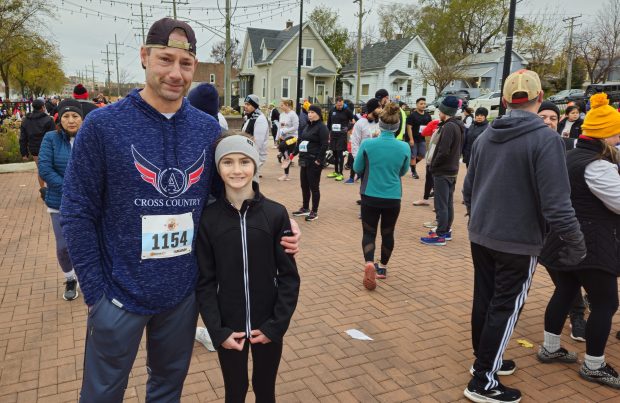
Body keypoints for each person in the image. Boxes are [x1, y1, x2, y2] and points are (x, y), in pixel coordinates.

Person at [60, 18, 299, 402]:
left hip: (182, 295)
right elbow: (76, 210)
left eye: (185, 64)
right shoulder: (102, 126)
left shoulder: (206, 130)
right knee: (102, 393)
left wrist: (280, 224)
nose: (175, 73)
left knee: (167, 390)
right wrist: (95, 291)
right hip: (118, 294)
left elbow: (233, 194)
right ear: (144, 57)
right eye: (165, 60)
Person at [462, 69, 585, 403]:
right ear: (540, 98)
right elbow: (557, 204)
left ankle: (486, 362)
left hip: (483, 233)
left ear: (504, 101)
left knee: (486, 301)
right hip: (517, 238)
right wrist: (576, 244)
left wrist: (479, 218)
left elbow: (469, 189)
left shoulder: (487, 134)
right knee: (505, 306)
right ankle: (483, 381)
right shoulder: (546, 140)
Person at [196, 134, 300, 403]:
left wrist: (276, 326)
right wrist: (218, 331)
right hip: (230, 327)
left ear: (255, 165)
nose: (237, 170)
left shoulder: (276, 214)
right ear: (218, 168)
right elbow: (205, 281)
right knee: (235, 390)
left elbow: (289, 277)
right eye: (227, 162)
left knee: (265, 389)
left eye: (244, 161)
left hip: (268, 324)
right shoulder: (208, 219)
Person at [537, 92, 620, 388]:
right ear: (607, 134)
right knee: (606, 302)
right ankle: (594, 365)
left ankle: (549, 347)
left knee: (566, 290)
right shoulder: (598, 165)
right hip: (592, 243)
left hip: (561, 238)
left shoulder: (570, 154)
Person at [537, 100, 588, 341]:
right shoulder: (528, 146)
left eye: (552, 118)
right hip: (536, 223)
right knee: (562, 275)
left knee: (570, 273)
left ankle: (578, 314)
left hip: (565, 221)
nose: (548, 121)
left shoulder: (569, 146)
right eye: (543, 117)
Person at [354, 102, 410, 291]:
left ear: (380, 123)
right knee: (388, 232)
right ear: (396, 126)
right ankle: (382, 267)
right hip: (393, 196)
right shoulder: (404, 147)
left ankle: (369, 262)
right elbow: (403, 171)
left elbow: (357, 168)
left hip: (370, 194)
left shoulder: (368, 143)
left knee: (369, 232)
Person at [38, 100, 84, 301]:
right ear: (59, 119)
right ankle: (70, 278)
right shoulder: (51, 139)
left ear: (82, 119)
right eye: (66, 116)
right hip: (60, 202)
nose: (71, 120)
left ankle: (90, 277)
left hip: (87, 203)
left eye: (75, 116)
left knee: (90, 243)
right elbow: (45, 169)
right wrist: (70, 188)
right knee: (63, 246)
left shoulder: (90, 138)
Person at [420, 96, 465, 245]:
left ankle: (440, 234)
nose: (439, 113)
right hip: (452, 169)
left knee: (441, 204)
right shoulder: (457, 125)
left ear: (445, 111)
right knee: (448, 202)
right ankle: (446, 230)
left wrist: (433, 165)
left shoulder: (448, 127)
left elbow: (443, 150)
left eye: (440, 110)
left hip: (443, 171)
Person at [291, 104, 329, 222]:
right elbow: (300, 141)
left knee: (314, 187)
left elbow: (324, 145)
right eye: (309, 112)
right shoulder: (307, 126)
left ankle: (314, 211)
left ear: (318, 114)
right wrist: (293, 154)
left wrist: (319, 160)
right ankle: (305, 208)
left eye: (313, 112)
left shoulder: (322, 127)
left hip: (314, 161)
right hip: (304, 160)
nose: (310, 115)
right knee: (304, 185)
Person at [19, 98, 55, 199]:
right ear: (43, 107)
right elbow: (53, 136)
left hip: (34, 149)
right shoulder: (48, 120)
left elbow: (23, 138)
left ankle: (43, 189)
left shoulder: (25, 120)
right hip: (48, 148)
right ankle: (51, 190)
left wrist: (24, 153)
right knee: (50, 169)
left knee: (41, 169)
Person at [348, 98, 382, 185]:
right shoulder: (360, 123)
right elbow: (355, 142)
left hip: (378, 158)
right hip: (365, 158)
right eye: (378, 108)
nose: (381, 110)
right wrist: (357, 159)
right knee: (365, 184)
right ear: (371, 109)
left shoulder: (381, 122)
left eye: (381, 107)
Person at [412, 119, 440, 207]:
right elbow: (424, 132)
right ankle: (426, 198)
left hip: (439, 157)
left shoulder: (449, 126)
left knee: (438, 179)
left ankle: (439, 205)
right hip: (432, 156)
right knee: (429, 177)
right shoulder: (437, 123)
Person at [326, 96, 354, 181]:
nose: (340, 107)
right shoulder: (332, 110)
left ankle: (340, 173)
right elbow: (328, 123)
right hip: (333, 135)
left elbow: (353, 121)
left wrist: (347, 128)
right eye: (338, 105)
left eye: (341, 105)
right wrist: (329, 133)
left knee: (340, 153)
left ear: (343, 103)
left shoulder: (347, 111)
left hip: (342, 136)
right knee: (334, 153)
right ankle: (335, 172)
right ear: (335, 103)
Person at [241, 94, 269, 176]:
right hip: (248, 154)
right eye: (245, 104)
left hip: (255, 157)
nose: (245, 106)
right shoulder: (250, 117)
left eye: (248, 104)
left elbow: (258, 143)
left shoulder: (260, 119)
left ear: (254, 105)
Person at [405, 97, 432, 179]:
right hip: (412, 138)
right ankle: (414, 172)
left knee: (422, 154)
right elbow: (409, 127)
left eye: (424, 104)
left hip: (422, 138)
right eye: (421, 104)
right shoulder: (412, 115)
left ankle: (411, 165)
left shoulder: (427, 116)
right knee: (413, 155)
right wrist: (411, 139)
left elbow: (429, 126)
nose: (423, 105)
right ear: (417, 105)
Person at [277, 98, 299, 181]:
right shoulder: (281, 115)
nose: (280, 106)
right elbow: (280, 126)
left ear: (287, 105)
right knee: (283, 149)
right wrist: (278, 136)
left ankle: (287, 158)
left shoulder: (293, 114)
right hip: (283, 137)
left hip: (293, 137)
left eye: (282, 105)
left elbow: (295, 127)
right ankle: (286, 175)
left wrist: (286, 131)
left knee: (282, 146)